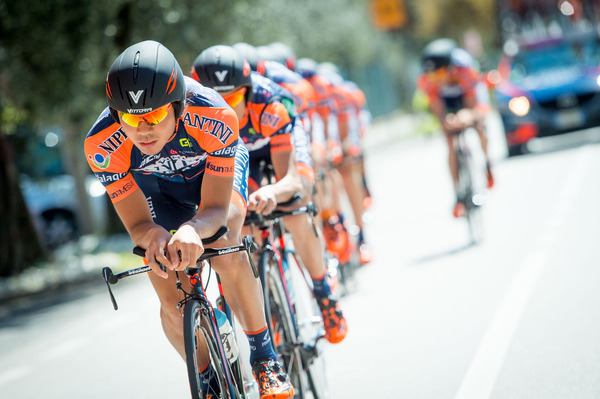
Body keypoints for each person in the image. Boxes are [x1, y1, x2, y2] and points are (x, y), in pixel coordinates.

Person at [84, 40, 293, 399]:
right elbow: (139, 226)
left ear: (178, 107)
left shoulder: (215, 116)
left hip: (210, 180)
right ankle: (206, 378)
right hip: (156, 192)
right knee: (165, 283)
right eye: (132, 118)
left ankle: (264, 359)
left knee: (226, 245)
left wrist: (194, 229)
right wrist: (153, 237)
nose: (143, 129)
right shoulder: (102, 145)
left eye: (154, 116)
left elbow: (214, 210)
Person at [191, 44, 348, 345]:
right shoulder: (193, 115)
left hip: (272, 144)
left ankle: (324, 294)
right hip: (233, 155)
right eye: (216, 99)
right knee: (241, 228)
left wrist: (273, 191)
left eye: (233, 97)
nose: (225, 107)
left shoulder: (272, 102)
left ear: (248, 90)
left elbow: (293, 179)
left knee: (295, 212)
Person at [417, 38, 494, 218]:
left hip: (467, 97)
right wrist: (446, 121)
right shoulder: (427, 80)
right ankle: (458, 193)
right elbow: (437, 108)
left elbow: (474, 107)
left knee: (479, 125)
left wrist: (467, 116)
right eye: (433, 76)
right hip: (447, 102)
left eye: (441, 74)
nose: (438, 79)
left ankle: (487, 164)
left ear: (451, 68)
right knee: (450, 141)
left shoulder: (466, 70)